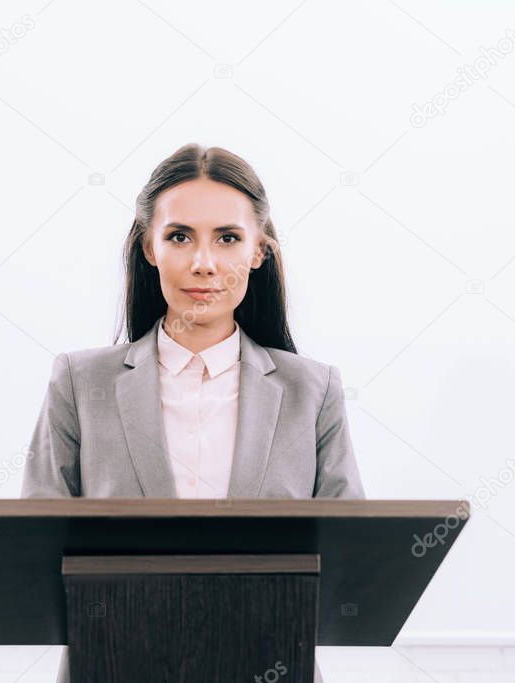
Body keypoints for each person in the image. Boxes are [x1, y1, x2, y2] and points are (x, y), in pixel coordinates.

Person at [21, 142, 366, 683]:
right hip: (112, 665)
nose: (203, 263)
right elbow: (35, 548)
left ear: (259, 251)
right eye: (179, 236)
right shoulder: (79, 382)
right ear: (149, 248)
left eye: (228, 238)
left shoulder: (312, 389)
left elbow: (352, 559)